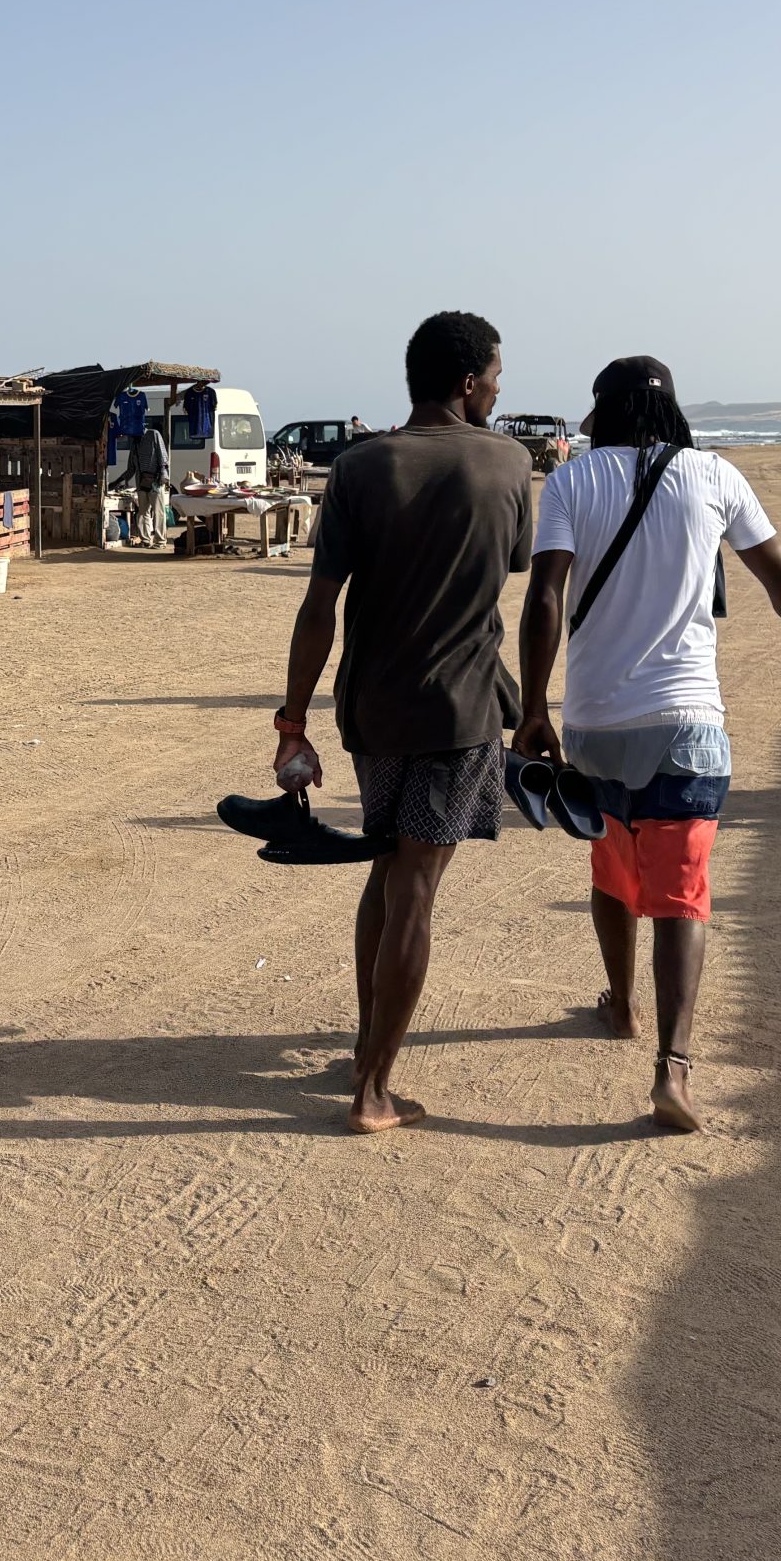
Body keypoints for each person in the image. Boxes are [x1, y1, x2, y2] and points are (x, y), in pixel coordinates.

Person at [514, 358, 781, 1132]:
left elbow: (545, 595)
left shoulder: (572, 482)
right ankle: (673, 1070)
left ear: (604, 413)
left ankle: (621, 1005)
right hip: (687, 723)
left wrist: (533, 707)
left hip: (595, 722)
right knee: (682, 893)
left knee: (612, 869)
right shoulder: (714, 475)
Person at [275, 312, 531, 1133]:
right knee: (417, 885)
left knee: (387, 870)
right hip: (459, 711)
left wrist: (292, 719)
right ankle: (373, 1090)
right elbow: (510, 570)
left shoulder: (359, 466)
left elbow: (319, 608)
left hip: (372, 709)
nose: (499, 390)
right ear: (467, 382)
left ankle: (366, 1047)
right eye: (496, 377)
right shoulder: (508, 463)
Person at [129, 416, 172, 548]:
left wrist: (163, 475)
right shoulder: (135, 442)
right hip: (141, 482)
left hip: (155, 481)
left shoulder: (153, 434)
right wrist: (119, 481)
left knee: (158, 513)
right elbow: (131, 467)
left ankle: (160, 542)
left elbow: (163, 457)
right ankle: (145, 540)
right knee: (142, 513)